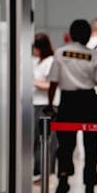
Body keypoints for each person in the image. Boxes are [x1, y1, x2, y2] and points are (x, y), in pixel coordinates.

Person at [48, 19, 97, 193]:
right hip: (89, 102)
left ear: (70, 34)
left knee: (65, 147)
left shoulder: (60, 53)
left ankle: (63, 182)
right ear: (88, 36)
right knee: (91, 148)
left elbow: (53, 82)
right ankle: (89, 190)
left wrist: (50, 104)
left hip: (68, 102)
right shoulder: (95, 56)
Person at [32, 33, 57, 178]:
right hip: (35, 103)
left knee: (46, 139)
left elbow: (50, 84)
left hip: (46, 104)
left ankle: (46, 170)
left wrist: (33, 82)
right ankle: (37, 170)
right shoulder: (37, 62)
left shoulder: (50, 61)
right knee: (36, 139)